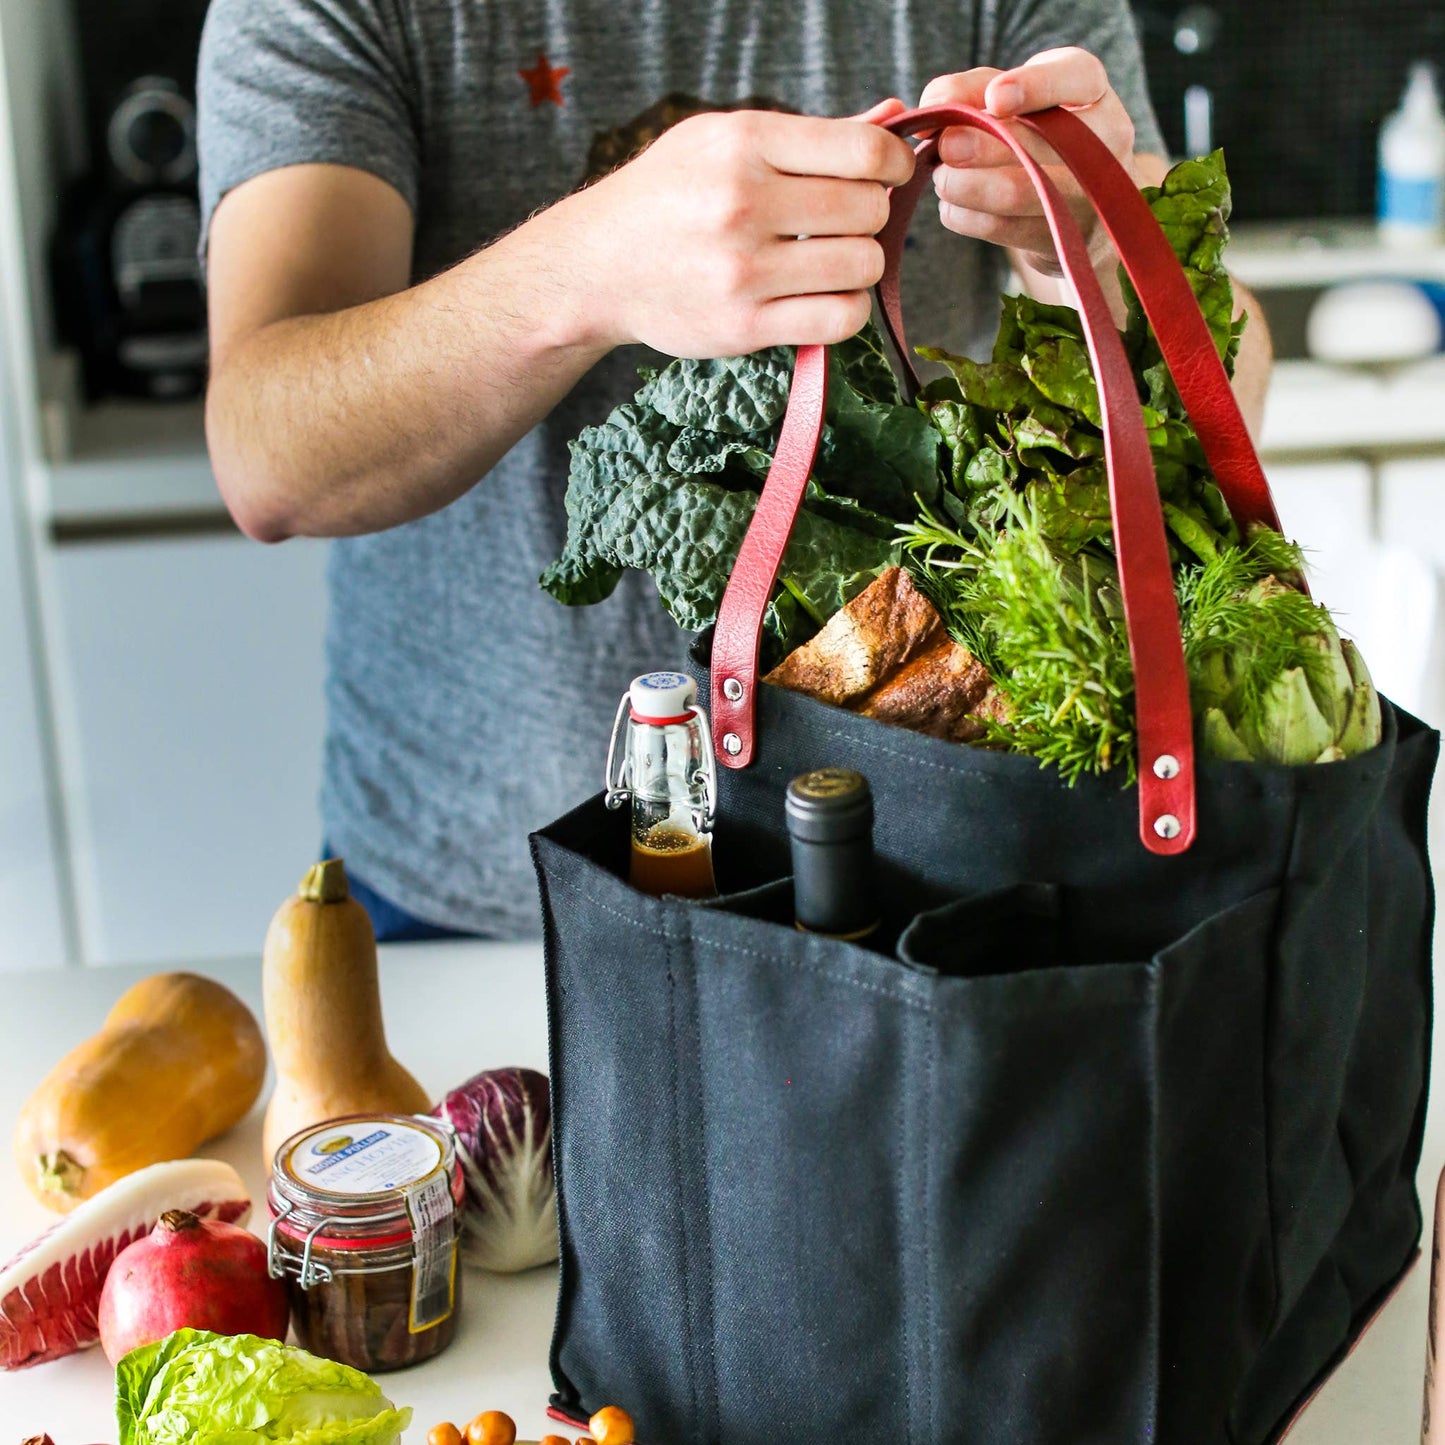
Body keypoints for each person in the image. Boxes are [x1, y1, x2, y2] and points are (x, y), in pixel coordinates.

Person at [197, 1, 1272, 940]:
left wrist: (1086, 252)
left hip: (921, 886)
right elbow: (268, 453)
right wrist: (584, 266)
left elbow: (1231, 378)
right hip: (476, 902)